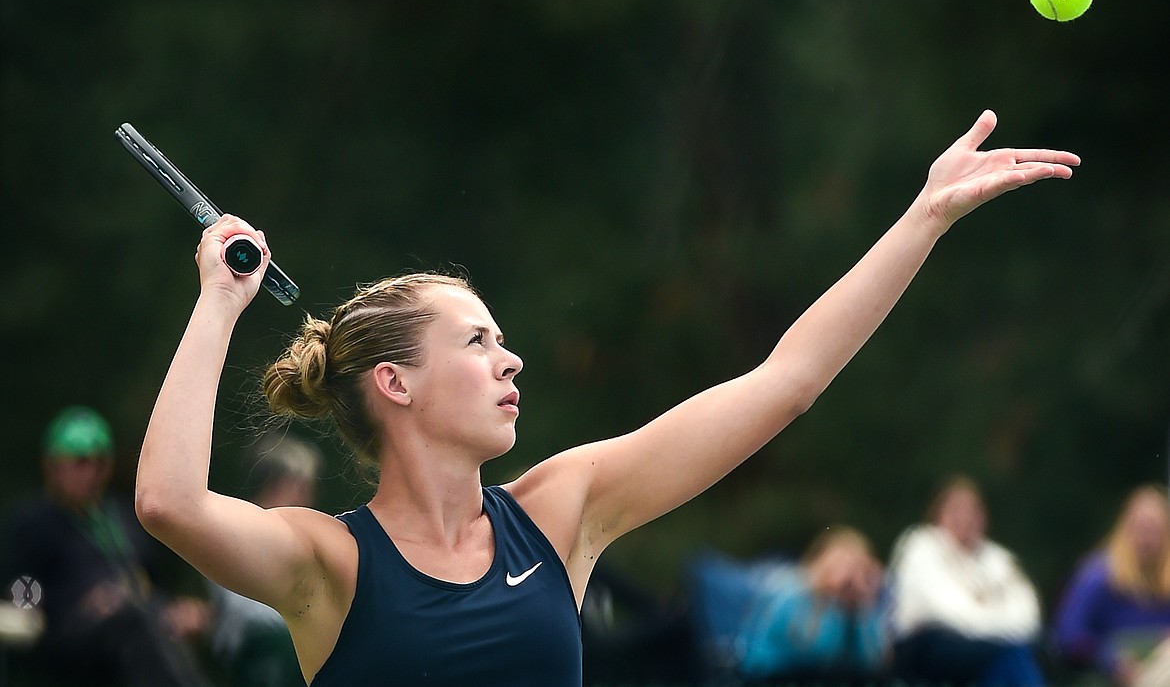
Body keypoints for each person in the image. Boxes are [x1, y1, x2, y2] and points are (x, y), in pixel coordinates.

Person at [133, 110, 1077, 686]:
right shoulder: (328, 562)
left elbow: (785, 383)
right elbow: (170, 503)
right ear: (396, 383)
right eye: (479, 341)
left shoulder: (560, 513)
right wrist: (220, 302)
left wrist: (924, 217)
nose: (513, 362)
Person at [1, 407, 211, 687]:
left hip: (133, 621)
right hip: (66, 634)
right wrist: (82, 603)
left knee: (199, 619)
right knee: (131, 618)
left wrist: (171, 608)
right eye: (80, 462)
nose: (90, 472)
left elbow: (150, 581)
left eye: (99, 463)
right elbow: (22, 595)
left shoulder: (123, 517)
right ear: (53, 466)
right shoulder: (35, 523)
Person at [887, 475, 1045, 687]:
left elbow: (1028, 615)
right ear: (938, 514)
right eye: (956, 510)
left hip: (989, 646)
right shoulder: (920, 548)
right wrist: (998, 620)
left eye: (974, 511)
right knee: (1009, 655)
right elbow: (950, 612)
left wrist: (988, 622)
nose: (966, 518)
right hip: (927, 646)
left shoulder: (999, 559)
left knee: (1018, 655)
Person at [206, 435, 324, 687]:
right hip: (252, 644)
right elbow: (240, 608)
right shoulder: (239, 528)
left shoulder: (303, 537)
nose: (307, 496)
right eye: (300, 485)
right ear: (276, 484)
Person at [735, 526, 889, 685]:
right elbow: (810, 654)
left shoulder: (858, 606)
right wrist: (833, 604)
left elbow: (870, 665)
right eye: (842, 564)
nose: (849, 576)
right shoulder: (790, 593)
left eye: (858, 567)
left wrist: (856, 614)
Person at [1053, 484, 1170, 687]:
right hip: (1110, 673)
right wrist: (1108, 659)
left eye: (1155, 529)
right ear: (1126, 528)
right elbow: (1068, 634)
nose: (1148, 537)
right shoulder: (1099, 574)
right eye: (1142, 527)